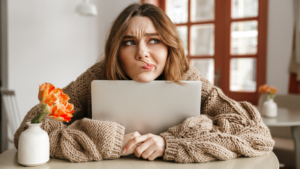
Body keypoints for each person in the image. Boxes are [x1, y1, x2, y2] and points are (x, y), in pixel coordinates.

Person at [14, 3, 274, 163]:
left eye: (154, 40)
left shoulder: (186, 76)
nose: (142, 53)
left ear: (169, 46)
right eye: (129, 42)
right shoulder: (97, 75)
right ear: (117, 51)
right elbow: (29, 132)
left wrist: (170, 145)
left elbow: (256, 135)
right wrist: (109, 141)